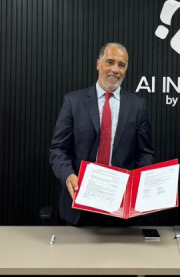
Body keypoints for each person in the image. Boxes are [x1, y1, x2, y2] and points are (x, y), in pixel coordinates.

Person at [49, 43, 154, 225]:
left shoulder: (138, 106)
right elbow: (58, 150)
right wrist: (68, 176)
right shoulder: (73, 102)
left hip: (121, 206)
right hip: (79, 203)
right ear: (98, 64)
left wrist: (139, 185)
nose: (115, 70)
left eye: (121, 65)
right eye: (110, 62)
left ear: (126, 70)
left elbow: (145, 154)